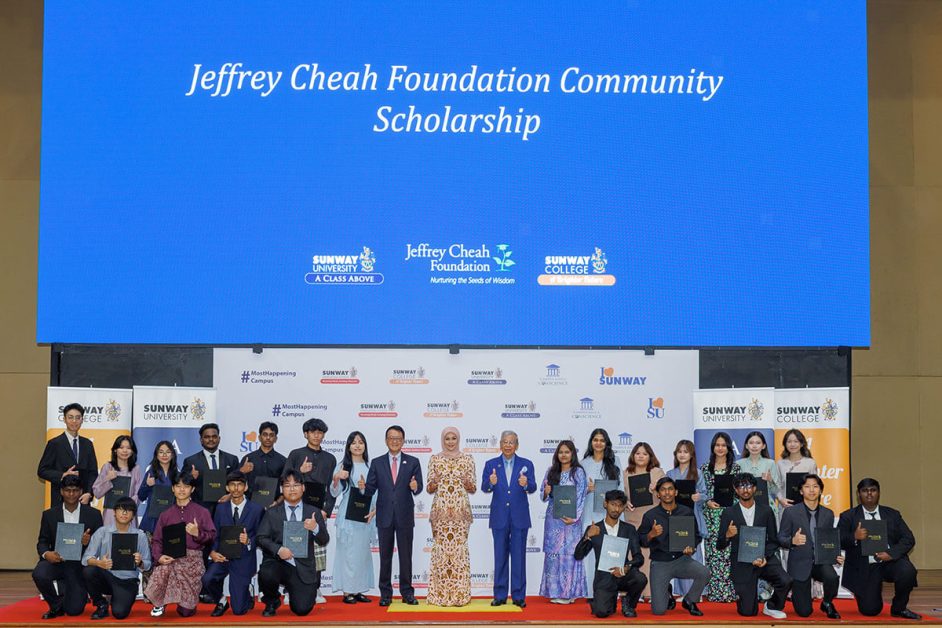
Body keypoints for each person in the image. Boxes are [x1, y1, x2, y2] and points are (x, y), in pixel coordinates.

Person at [837, 477, 920, 620]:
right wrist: (854, 536)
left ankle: (899, 608)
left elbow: (909, 539)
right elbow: (838, 541)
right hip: (865, 566)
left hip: (889, 561)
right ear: (858, 494)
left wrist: (891, 553)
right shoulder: (848, 516)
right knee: (870, 610)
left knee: (908, 571)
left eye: (873, 490)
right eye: (865, 491)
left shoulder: (892, 514)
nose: (869, 494)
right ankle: (870, 592)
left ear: (879, 493)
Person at [716, 473, 792, 619]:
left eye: (749, 486)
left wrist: (764, 557)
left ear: (755, 488)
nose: (746, 490)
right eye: (741, 486)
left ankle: (771, 606)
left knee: (786, 580)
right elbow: (720, 545)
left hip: (764, 559)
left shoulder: (766, 510)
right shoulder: (728, 512)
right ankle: (746, 596)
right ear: (735, 490)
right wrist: (727, 535)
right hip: (742, 563)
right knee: (748, 612)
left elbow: (773, 540)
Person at [363, 424, 423, 606]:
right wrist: (363, 487)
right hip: (384, 516)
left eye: (398, 438)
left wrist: (416, 487)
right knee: (385, 556)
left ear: (403, 441)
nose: (394, 441)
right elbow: (370, 489)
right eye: (391, 438)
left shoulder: (413, 461)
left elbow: (418, 486)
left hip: (405, 516)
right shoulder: (377, 462)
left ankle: (407, 593)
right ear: (386, 440)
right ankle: (386, 594)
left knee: (406, 556)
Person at [256, 470, 330, 617]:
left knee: (302, 610)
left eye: (296, 485)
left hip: (302, 567)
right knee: (266, 572)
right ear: (281, 489)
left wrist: (315, 528)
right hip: (278, 562)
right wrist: (278, 550)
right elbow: (261, 537)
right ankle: (272, 601)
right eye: (287, 485)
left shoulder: (314, 512)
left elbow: (324, 540)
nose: (292, 489)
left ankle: (295, 591)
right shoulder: (272, 513)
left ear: (303, 488)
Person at [32, 475, 104, 619]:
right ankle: (56, 606)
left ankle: (76, 595)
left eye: (75, 490)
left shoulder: (93, 515)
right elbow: (42, 541)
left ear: (81, 491)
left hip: (80, 566)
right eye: (67, 490)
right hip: (57, 562)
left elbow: (101, 545)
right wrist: (47, 554)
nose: (71, 494)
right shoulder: (49, 514)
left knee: (74, 611)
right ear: (61, 491)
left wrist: (88, 543)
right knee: (39, 573)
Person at [145, 473, 215, 617]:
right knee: (163, 569)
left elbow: (212, 536)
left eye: (186, 486)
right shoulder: (165, 515)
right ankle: (160, 603)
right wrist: (159, 557)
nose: (182, 490)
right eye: (178, 486)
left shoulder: (202, 512)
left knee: (186, 612)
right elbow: (157, 540)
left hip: (192, 562)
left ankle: (185, 601)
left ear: (192, 489)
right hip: (170, 558)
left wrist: (197, 533)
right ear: (173, 489)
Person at [480, 429, 536, 608]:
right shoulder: (491, 464)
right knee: (500, 557)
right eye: (505, 442)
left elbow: (533, 487)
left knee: (519, 558)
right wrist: (491, 483)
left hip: (519, 517)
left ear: (517, 445)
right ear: (500, 444)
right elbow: (484, 487)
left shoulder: (526, 464)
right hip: (499, 517)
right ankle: (500, 595)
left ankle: (519, 596)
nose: (508, 445)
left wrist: (526, 484)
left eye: (511, 442)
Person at [638, 477, 709, 617]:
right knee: (658, 611)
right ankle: (668, 593)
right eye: (663, 490)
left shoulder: (686, 512)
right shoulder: (650, 515)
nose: (667, 493)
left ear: (676, 492)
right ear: (658, 494)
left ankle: (689, 601)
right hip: (660, 563)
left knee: (704, 573)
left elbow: (696, 536)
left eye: (670, 489)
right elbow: (641, 540)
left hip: (682, 560)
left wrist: (692, 547)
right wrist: (651, 534)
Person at [778, 474, 842, 619]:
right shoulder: (791, 512)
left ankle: (827, 603)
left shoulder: (828, 514)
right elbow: (780, 537)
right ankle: (798, 595)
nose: (811, 490)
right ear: (801, 491)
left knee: (832, 577)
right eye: (807, 487)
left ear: (820, 490)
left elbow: (828, 540)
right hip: (800, 563)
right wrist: (792, 541)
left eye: (815, 486)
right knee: (804, 612)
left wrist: (835, 556)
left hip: (820, 562)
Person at [574, 489, 647, 618]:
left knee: (640, 578)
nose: (616, 509)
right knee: (601, 613)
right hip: (603, 578)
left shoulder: (629, 529)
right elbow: (578, 555)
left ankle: (628, 603)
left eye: (620, 505)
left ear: (624, 507)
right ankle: (605, 601)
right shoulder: (594, 529)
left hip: (623, 574)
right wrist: (587, 537)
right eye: (613, 504)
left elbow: (639, 557)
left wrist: (626, 567)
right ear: (605, 504)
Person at [201, 471, 264, 617]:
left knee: (239, 610)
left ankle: (246, 594)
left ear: (246, 487)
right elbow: (216, 534)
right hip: (223, 556)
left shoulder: (256, 509)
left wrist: (248, 541)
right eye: (232, 485)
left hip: (244, 558)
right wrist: (212, 552)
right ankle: (221, 601)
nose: (236, 488)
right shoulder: (220, 508)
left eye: (239, 485)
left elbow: (261, 537)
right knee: (207, 579)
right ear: (227, 488)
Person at [426, 426, 477, 606]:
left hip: (460, 512)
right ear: (442, 440)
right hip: (440, 512)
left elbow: (473, 488)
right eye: (447, 438)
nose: (450, 442)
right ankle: (439, 594)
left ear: (458, 439)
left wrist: (466, 482)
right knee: (441, 551)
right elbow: (429, 488)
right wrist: (436, 480)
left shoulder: (467, 459)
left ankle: (460, 595)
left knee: (458, 551)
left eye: (453, 438)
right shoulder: (435, 459)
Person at [81, 497, 151, 620]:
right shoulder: (102, 532)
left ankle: (117, 599)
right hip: (107, 577)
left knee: (119, 613)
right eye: (121, 509)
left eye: (129, 510)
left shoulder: (140, 536)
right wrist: (99, 563)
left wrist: (139, 562)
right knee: (89, 570)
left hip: (127, 581)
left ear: (133, 515)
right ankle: (101, 604)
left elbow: (148, 564)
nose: (124, 513)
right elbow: (86, 559)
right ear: (114, 512)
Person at [329, 430, 376, 604]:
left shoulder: (371, 467)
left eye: (361, 442)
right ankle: (348, 591)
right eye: (354, 442)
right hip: (348, 518)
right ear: (348, 446)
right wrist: (336, 478)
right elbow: (334, 492)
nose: (357, 445)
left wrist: (374, 511)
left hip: (365, 516)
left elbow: (376, 494)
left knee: (361, 554)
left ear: (365, 446)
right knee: (348, 554)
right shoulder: (343, 466)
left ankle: (358, 589)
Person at [539, 439, 588, 604]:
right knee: (553, 554)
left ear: (573, 454)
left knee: (569, 555)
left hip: (572, 521)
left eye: (567, 452)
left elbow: (581, 497)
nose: (564, 455)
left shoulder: (578, 473)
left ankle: (569, 593)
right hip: (554, 520)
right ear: (557, 454)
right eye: (561, 452)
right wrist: (546, 492)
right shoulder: (551, 471)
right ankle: (554, 591)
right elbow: (543, 497)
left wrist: (574, 518)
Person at [696, 430, 741, 602]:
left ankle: (730, 592)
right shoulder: (704, 468)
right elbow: (702, 492)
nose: (720, 448)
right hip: (711, 516)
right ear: (713, 447)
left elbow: (740, 493)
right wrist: (707, 502)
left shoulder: (735, 469)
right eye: (717, 445)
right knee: (713, 554)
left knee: (729, 554)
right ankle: (715, 591)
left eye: (723, 445)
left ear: (728, 447)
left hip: (729, 515)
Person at [580, 428, 622, 600]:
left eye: (602, 440)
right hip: (590, 513)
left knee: (610, 553)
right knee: (591, 555)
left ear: (607, 443)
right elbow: (577, 491)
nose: (598, 443)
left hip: (610, 515)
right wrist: (587, 490)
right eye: (595, 440)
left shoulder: (615, 461)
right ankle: (591, 592)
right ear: (591, 442)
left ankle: (611, 591)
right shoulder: (583, 463)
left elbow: (620, 490)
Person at [623, 441, 664, 599]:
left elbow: (667, 494)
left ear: (650, 456)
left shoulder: (657, 472)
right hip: (631, 519)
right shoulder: (626, 472)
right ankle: (633, 592)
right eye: (638, 453)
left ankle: (649, 593)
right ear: (633, 455)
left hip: (651, 520)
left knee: (648, 556)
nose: (641, 456)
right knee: (633, 555)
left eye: (644, 454)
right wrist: (625, 502)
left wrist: (656, 490)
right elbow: (623, 494)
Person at [37, 402, 98, 507]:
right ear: (64, 419)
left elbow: (93, 472)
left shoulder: (87, 444)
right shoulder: (55, 443)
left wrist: (89, 493)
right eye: (70, 417)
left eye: (78, 418)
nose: (74, 421)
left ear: (82, 420)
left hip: (82, 500)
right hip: (60, 500)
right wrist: (62, 475)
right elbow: (42, 470)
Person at [664, 439, 703, 601]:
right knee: (678, 556)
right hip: (676, 518)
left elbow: (706, 494)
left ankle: (696, 593)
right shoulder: (670, 474)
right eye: (679, 451)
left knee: (694, 555)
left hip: (692, 517)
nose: (682, 454)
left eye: (686, 451)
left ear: (691, 454)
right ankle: (682, 591)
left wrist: (699, 496)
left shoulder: (698, 473)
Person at [180, 423, 240, 515]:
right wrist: (190, 477)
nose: (211, 439)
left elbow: (238, 483)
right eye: (207, 437)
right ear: (201, 440)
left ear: (219, 439)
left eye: (214, 436)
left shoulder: (232, 459)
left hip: (227, 508)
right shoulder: (190, 461)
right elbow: (183, 485)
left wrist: (230, 496)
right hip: (200, 510)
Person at [92, 435, 143, 527]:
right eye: (121, 447)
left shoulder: (136, 469)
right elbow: (97, 493)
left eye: (128, 448)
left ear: (132, 451)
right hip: (110, 515)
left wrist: (126, 508)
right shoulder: (108, 467)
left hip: (128, 514)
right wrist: (107, 479)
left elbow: (138, 494)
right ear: (115, 450)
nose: (124, 451)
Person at [238, 421, 286, 507]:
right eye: (265, 434)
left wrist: (277, 502)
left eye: (271, 435)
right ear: (259, 437)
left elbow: (286, 486)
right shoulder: (248, 459)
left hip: (274, 506)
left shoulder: (283, 461)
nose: (268, 438)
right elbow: (237, 481)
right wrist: (241, 471)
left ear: (275, 439)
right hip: (250, 506)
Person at [137, 440, 178, 535]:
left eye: (168, 452)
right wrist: (147, 485)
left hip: (171, 520)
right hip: (152, 520)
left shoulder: (177, 475)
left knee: (170, 549)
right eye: (161, 452)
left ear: (172, 455)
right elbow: (141, 496)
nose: (164, 455)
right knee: (152, 549)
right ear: (156, 455)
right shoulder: (151, 473)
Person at [738, 431, 782, 511]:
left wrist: (770, 480)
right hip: (744, 506)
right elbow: (735, 488)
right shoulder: (739, 464)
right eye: (751, 443)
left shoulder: (770, 463)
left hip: (767, 506)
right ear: (746, 446)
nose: (754, 446)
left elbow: (775, 491)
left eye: (758, 443)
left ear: (763, 446)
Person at [776, 429, 817, 507]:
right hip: (786, 507)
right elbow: (776, 486)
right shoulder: (780, 464)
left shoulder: (810, 463)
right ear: (785, 444)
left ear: (801, 444)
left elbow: (815, 485)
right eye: (789, 441)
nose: (792, 444)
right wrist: (781, 500)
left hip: (806, 507)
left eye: (796, 441)